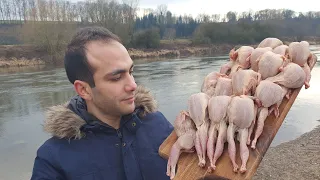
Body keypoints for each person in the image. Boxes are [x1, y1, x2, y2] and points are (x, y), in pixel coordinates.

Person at [31, 26, 174, 180]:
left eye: (131, 72)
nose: (133, 85)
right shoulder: (53, 159)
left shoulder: (157, 123)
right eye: (116, 78)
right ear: (84, 89)